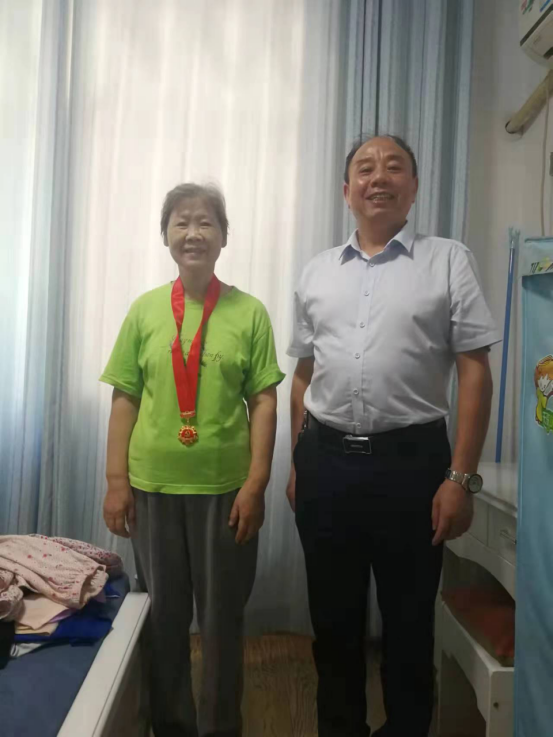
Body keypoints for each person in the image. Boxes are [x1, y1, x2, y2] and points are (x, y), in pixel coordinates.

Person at [287, 135, 500, 737]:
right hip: (325, 463)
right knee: (333, 625)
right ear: (347, 190)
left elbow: (475, 371)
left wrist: (460, 477)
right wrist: (298, 459)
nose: (378, 177)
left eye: (394, 167)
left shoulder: (448, 260)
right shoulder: (317, 271)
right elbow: (303, 373)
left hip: (413, 467)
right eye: (365, 168)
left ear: (413, 187)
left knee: (408, 626)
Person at [100, 183, 285, 737]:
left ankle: (220, 727)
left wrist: (256, 483)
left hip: (225, 491)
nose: (193, 233)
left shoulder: (249, 312)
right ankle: (171, 725)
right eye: (181, 222)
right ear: (166, 236)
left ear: (224, 236)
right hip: (153, 487)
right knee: (163, 616)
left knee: (223, 621)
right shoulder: (145, 310)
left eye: (206, 222)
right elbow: (125, 398)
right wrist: (116, 481)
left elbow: (264, 401)